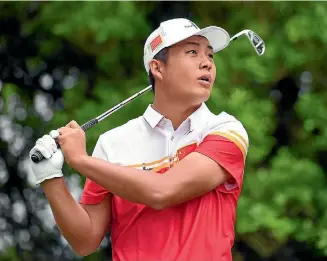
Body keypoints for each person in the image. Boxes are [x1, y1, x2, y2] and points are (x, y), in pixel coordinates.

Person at [29, 18, 249, 261]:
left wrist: (80, 160)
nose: (207, 63)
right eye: (192, 52)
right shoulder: (112, 143)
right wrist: (50, 177)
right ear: (158, 68)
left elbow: (163, 191)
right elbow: (85, 241)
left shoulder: (226, 130)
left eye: (210, 55)